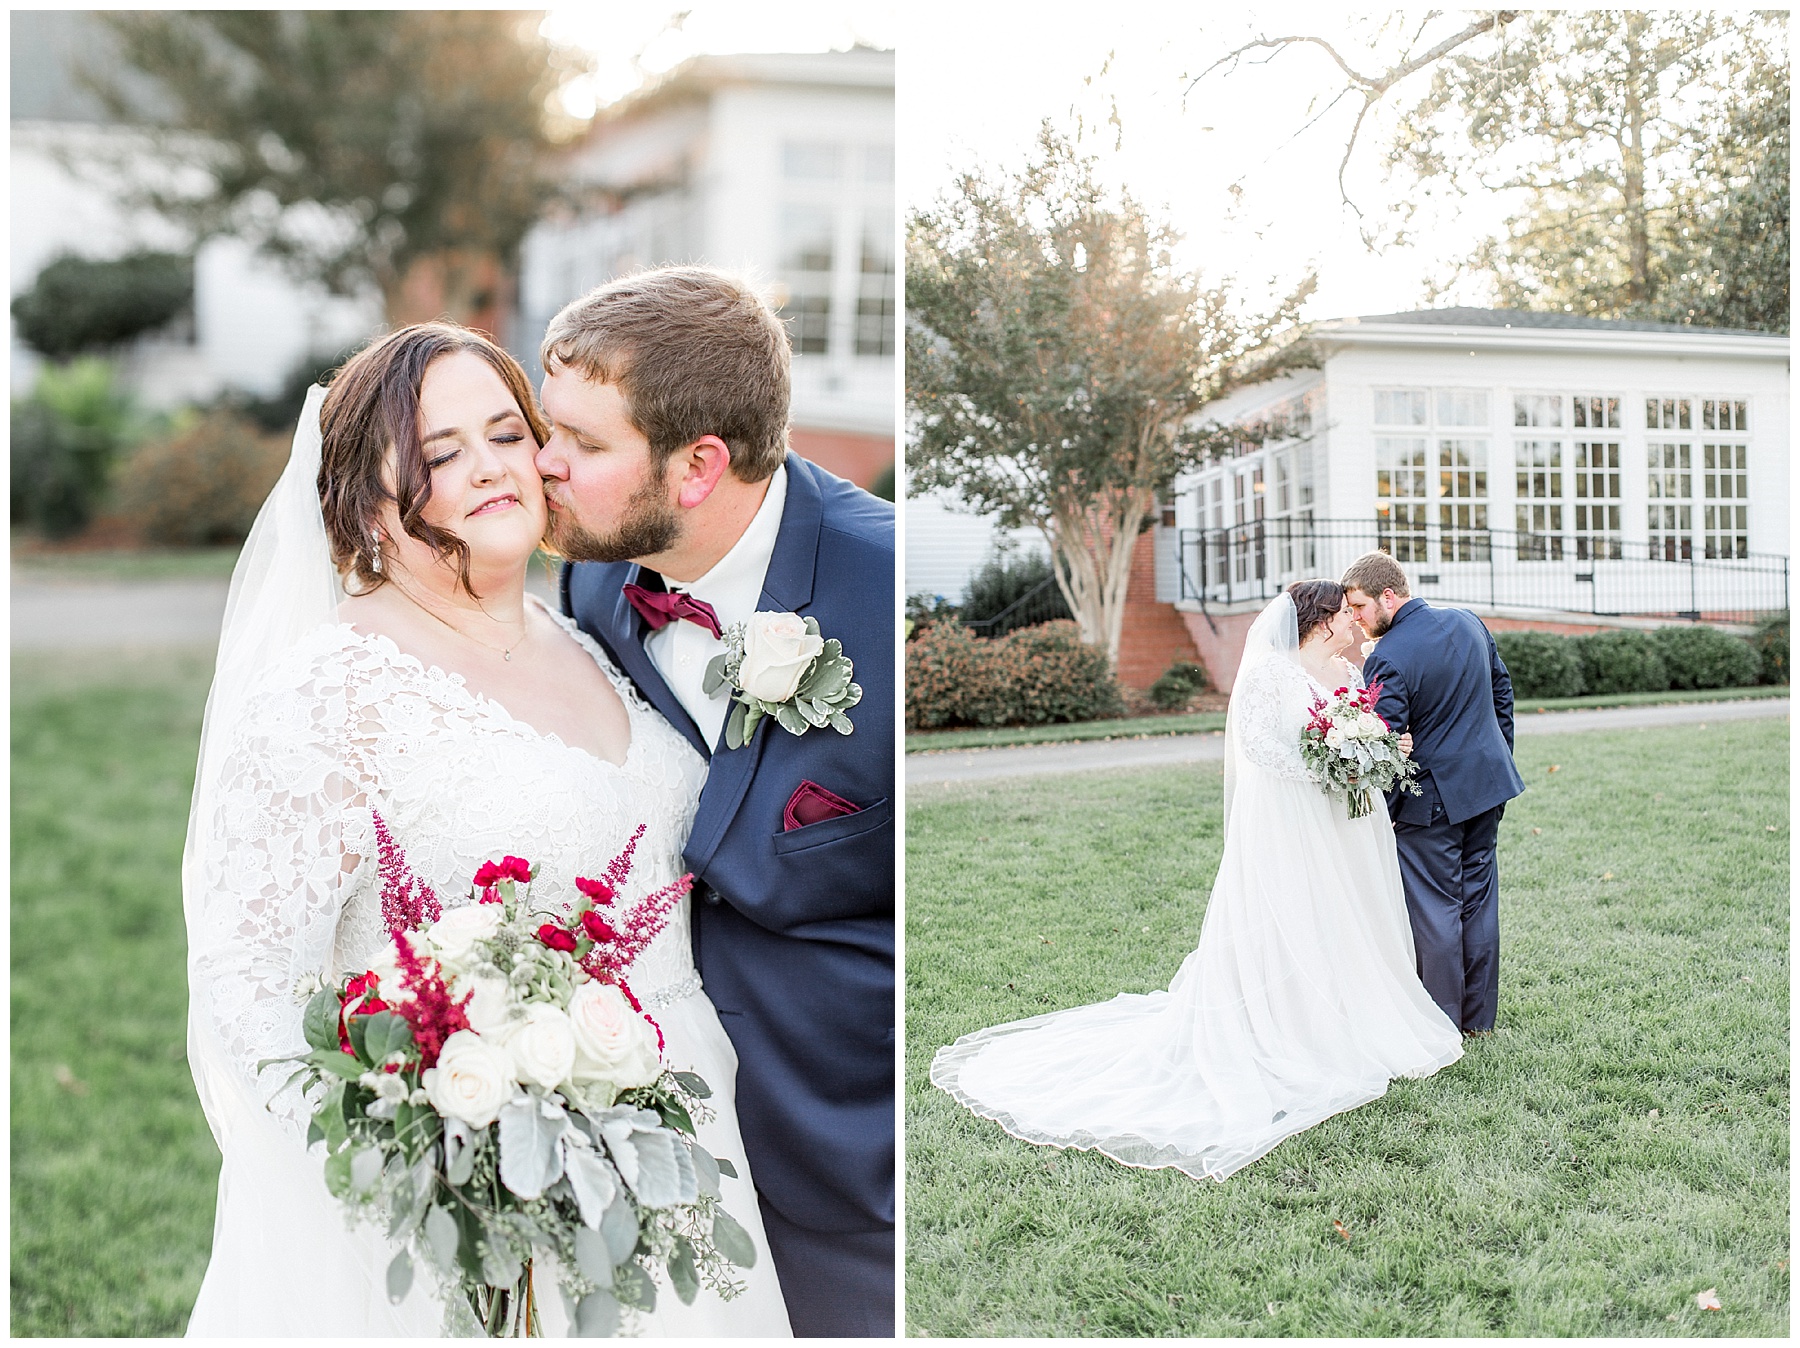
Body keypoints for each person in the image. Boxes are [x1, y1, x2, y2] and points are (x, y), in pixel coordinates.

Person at [182, 322, 791, 1335]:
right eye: (438, 453)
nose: (489, 467)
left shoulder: (594, 631)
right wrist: (436, 1155)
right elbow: (247, 986)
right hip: (468, 1194)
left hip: (684, 1136)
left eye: (507, 433)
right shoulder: (330, 690)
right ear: (362, 499)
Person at [540, 267, 895, 1337]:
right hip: (636, 1120)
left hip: (851, 1151)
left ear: (699, 466)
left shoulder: (884, 593)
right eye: (546, 428)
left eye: (584, 444)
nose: (542, 464)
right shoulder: (596, 579)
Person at [931, 581, 1462, 1181]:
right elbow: (1261, 749)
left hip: (1340, 820)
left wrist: (1368, 751)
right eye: (1343, 612)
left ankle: (1348, 1009)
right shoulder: (1269, 675)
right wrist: (1332, 761)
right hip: (1290, 819)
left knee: (1343, 912)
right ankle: (1288, 1020)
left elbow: (1362, 727)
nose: (1352, 620)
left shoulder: (1345, 672)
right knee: (1290, 909)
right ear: (1318, 621)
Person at [1341, 552, 1525, 1034]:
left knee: (1436, 908)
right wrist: (1496, 755)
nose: (1355, 619)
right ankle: (1478, 1021)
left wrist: (1390, 805)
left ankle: (1441, 1024)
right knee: (1478, 900)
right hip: (1487, 787)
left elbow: (1384, 740)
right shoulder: (1468, 622)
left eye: (1359, 607)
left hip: (1431, 803)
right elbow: (1502, 692)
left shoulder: (1388, 656)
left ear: (1388, 596)